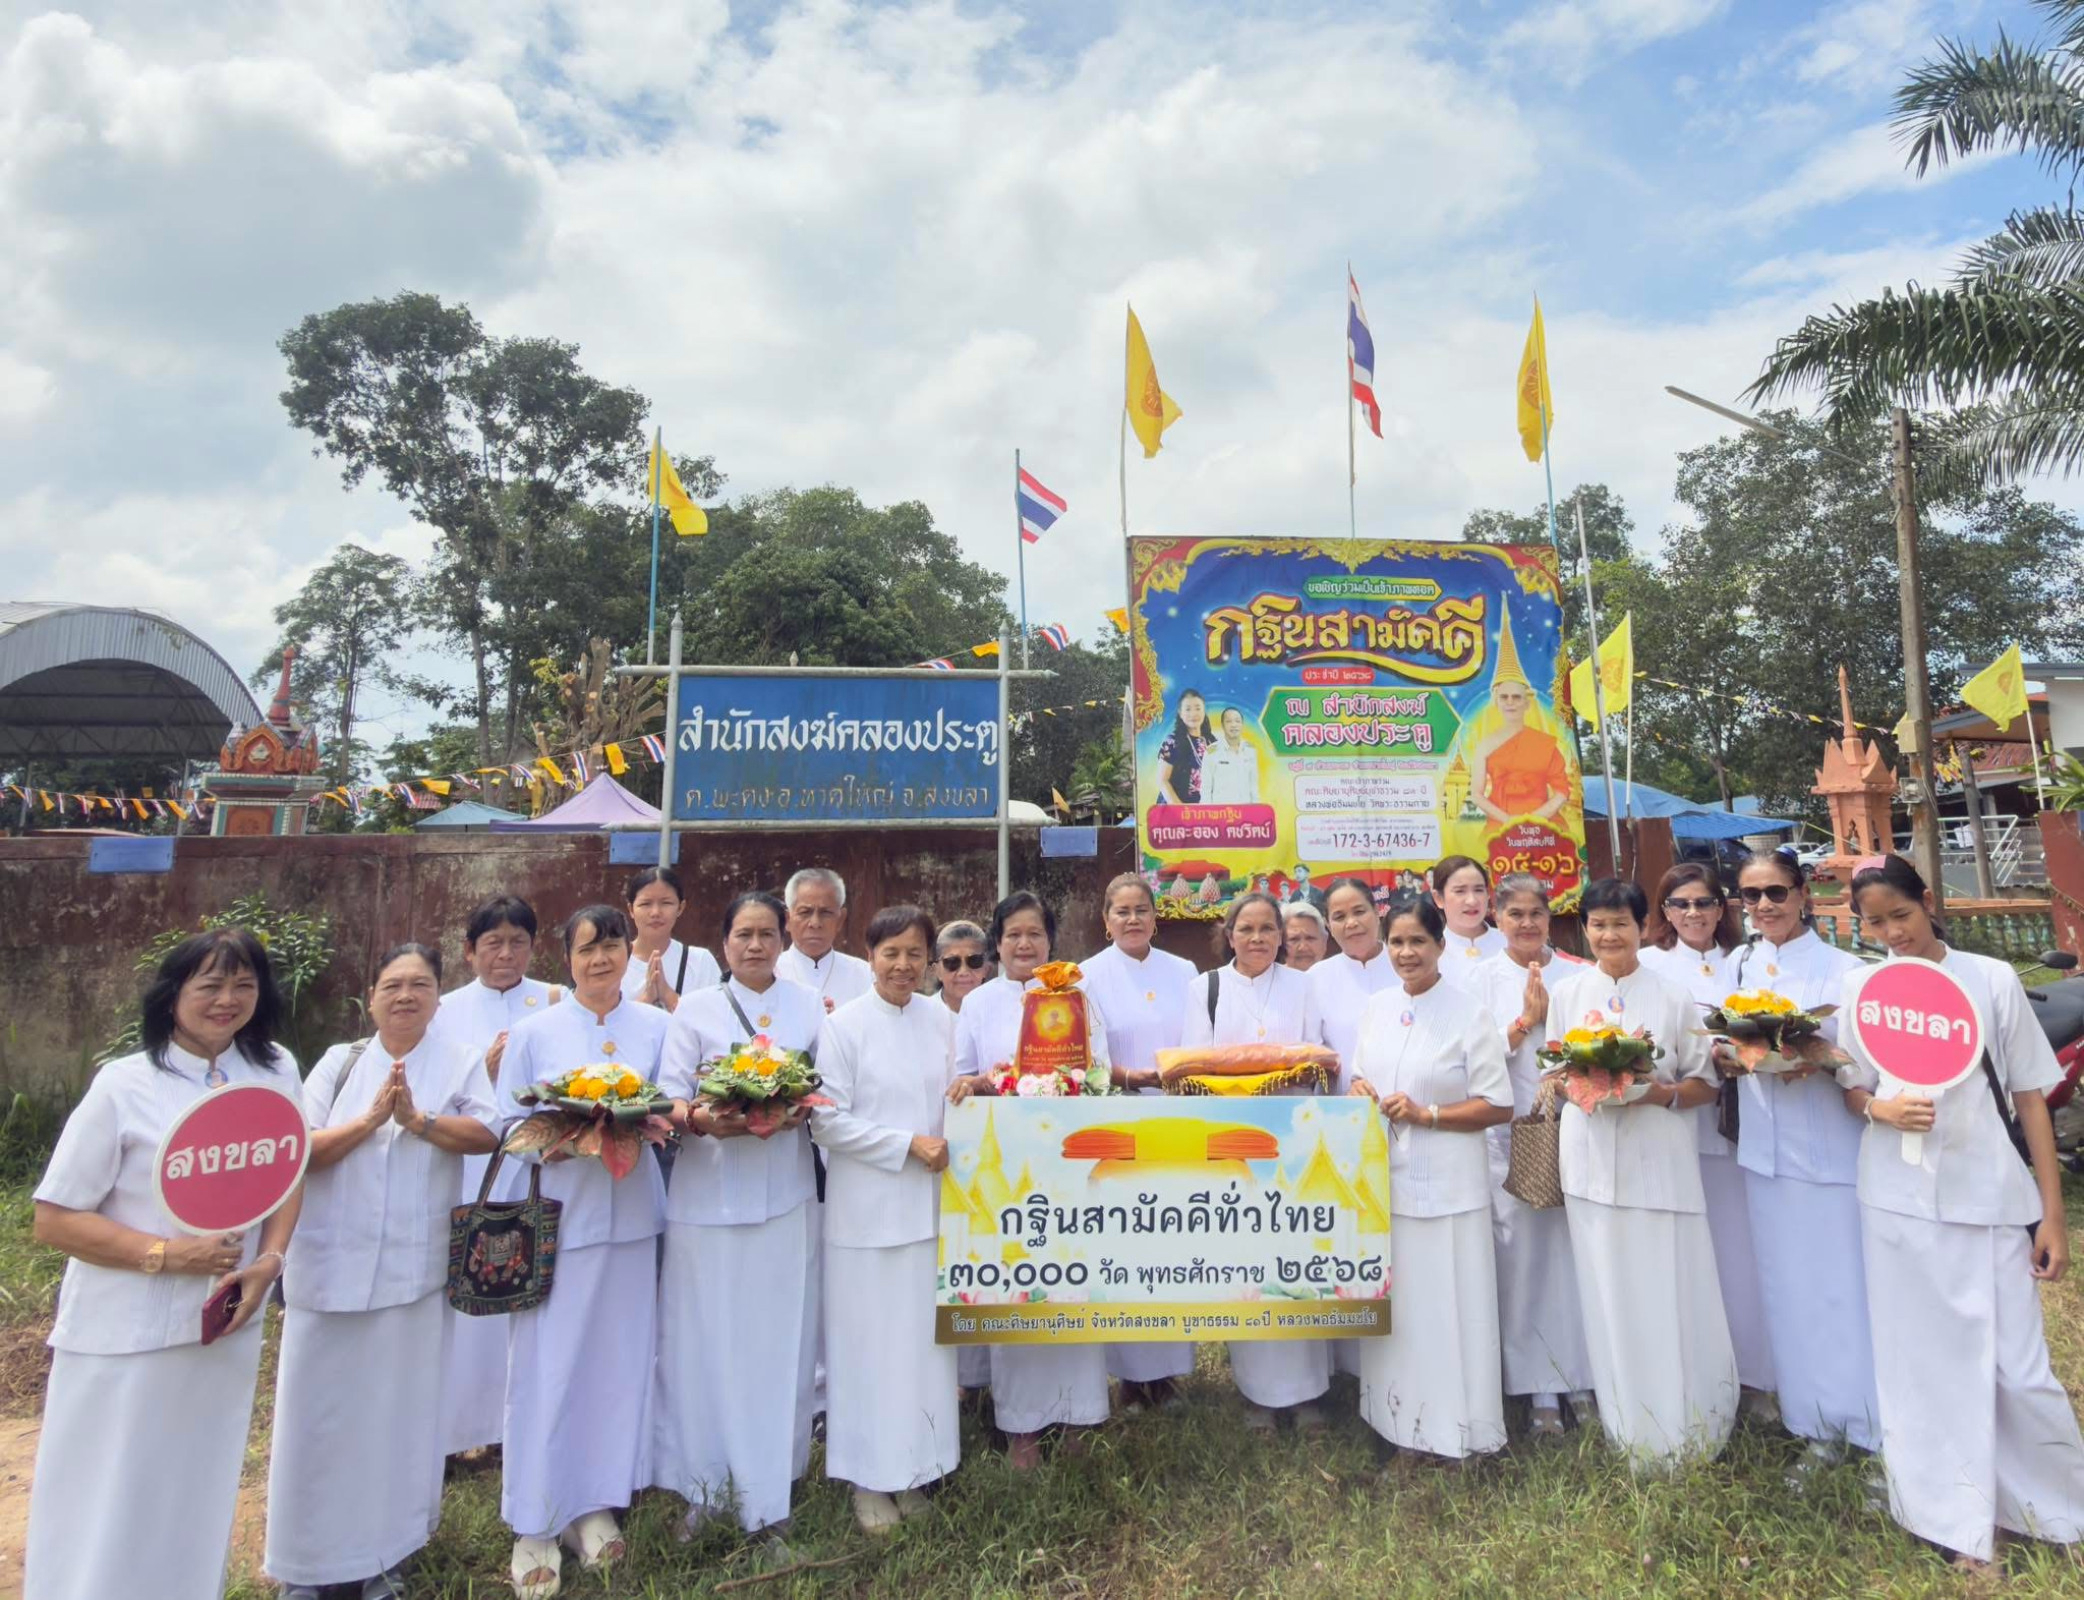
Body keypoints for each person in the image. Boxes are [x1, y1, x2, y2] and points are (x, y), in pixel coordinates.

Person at [27, 929, 301, 1600]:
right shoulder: (124, 1085)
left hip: (219, 1330)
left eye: (243, 985)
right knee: (108, 1497)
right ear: (172, 995)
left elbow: (289, 1175)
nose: (226, 999)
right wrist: (167, 1256)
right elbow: (55, 1218)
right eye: (209, 985)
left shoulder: (274, 1070)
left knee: (191, 1492)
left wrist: (269, 1261)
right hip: (123, 1336)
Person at [1840, 856, 2084, 1568]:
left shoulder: (1990, 979)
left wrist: (2053, 1215)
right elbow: (1851, 1085)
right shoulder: (1861, 987)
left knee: (2018, 1364)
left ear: (1928, 903)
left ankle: (2056, 1511)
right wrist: (1879, 1108)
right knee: (1922, 1362)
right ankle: (1953, 1521)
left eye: (1901, 916)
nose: (1892, 933)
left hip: (1988, 1196)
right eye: (1875, 923)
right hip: (1896, 1200)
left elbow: (2032, 1097)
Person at [265, 944, 499, 1600]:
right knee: (315, 1419)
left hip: (411, 1278)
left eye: (420, 985)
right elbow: (298, 1150)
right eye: (392, 985)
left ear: (437, 997)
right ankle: (300, 1568)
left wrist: (418, 1121)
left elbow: (488, 1134)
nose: (405, 996)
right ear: (370, 998)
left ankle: (383, 1559)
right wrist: (371, 1121)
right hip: (328, 1275)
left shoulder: (456, 1061)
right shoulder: (338, 1067)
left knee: (398, 1416)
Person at [496, 906, 668, 1599]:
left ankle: (594, 1500)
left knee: (616, 1362)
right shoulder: (535, 1031)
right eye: (587, 948)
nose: (601, 960)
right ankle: (535, 1520)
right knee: (547, 1364)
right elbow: (505, 1122)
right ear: (566, 957)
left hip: (629, 1217)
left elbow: (670, 1106)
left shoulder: (657, 1027)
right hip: (557, 1220)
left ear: (632, 951)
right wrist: (564, 1132)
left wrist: (640, 1118)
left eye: (613, 946)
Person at [1545, 878, 1737, 1465]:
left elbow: (1706, 1084)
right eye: (1597, 925)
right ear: (1585, 930)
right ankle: (1626, 1430)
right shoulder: (1567, 992)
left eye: (1619, 924)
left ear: (1640, 926)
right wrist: (1572, 1081)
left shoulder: (1673, 995)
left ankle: (1689, 1422)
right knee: (1607, 1292)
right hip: (1591, 1165)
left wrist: (1661, 1095)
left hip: (1660, 1162)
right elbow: (1552, 1074)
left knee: (1668, 1287)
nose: (1608, 935)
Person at [653, 890, 823, 1546]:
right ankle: (702, 1490)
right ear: (723, 943)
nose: (755, 944)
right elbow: (670, 1097)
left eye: (765, 933)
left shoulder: (807, 1006)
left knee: (776, 1345)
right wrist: (702, 1117)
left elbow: (822, 1087)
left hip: (784, 1196)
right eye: (742, 933)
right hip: (706, 1200)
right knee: (703, 1345)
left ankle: (768, 1493)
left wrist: (793, 1110)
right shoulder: (693, 1010)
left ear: (782, 941)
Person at [1722, 849, 1876, 1477]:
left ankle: (1870, 1431)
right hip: (1766, 1154)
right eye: (1751, 897)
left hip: (1833, 1152)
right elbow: (1725, 1049)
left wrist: (1820, 1058)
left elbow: (1866, 1065)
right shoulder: (1739, 965)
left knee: (1845, 1291)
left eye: (1776, 893)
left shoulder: (1848, 972)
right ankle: (1813, 1426)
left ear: (1804, 892)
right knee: (1788, 1291)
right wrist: (1731, 1057)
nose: (1764, 907)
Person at [812, 905, 962, 1533]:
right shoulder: (843, 1026)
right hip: (867, 1216)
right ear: (868, 955)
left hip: (933, 1213)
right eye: (889, 953)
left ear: (930, 960)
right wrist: (908, 1145)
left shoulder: (943, 1020)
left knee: (924, 1352)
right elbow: (826, 1120)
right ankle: (869, 1480)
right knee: (866, 1350)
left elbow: (960, 1094)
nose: (903, 966)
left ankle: (920, 1469)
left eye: (914, 954)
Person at [950, 892, 1114, 1466]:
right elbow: (962, 1078)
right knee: (1015, 1287)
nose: (1025, 944)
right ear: (997, 943)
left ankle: (1076, 1420)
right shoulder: (977, 1004)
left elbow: (1102, 1073)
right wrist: (990, 1085)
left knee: (1070, 1285)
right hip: (1004, 1172)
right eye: (1014, 934)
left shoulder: (1077, 997)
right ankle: (1021, 1428)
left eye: (1035, 935)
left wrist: (1071, 1088)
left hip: (1070, 1165)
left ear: (1051, 942)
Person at [1349, 898, 1513, 1460]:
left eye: (1418, 941)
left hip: (1450, 1192)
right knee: (1403, 1317)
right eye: (1396, 942)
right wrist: (1359, 1091)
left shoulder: (1470, 1013)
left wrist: (1428, 1115)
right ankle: (1398, 1427)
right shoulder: (1375, 1007)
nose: (1406, 952)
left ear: (1441, 945)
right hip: (1386, 1191)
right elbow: (1359, 1075)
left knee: (1449, 1314)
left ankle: (1454, 1433)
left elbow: (1498, 1104)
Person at [1179, 891, 1330, 1429]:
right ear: (1229, 933)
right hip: (1235, 1147)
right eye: (1247, 928)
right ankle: (1257, 1395)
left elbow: (1317, 1056)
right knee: (1249, 1264)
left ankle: (1308, 1391)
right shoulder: (1206, 988)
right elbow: (1193, 1066)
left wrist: (1294, 1069)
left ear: (1283, 937)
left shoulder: (1305, 986)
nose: (1259, 938)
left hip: (1293, 1144)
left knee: (1296, 1259)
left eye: (1269, 929)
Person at [1636, 864, 1776, 1421]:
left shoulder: (1745, 965)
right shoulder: (1647, 966)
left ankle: (1754, 1375)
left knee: (1738, 1255)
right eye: (1680, 903)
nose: (1693, 913)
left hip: (1739, 1126)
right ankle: (1692, 1375)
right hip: (1670, 1127)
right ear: (1663, 913)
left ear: (1723, 909)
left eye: (1705, 902)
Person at [429, 895, 562, 1459]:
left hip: (535, 1170)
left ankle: (519, 1424)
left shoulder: (555, 1001)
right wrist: (481, 1073)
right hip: (470, 1170)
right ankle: (464, 1432)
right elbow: (432, 1094)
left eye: (518, 943)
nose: (506, 955)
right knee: (471, 1287)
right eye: (492, 944)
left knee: (527, 1288)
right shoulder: (445, 1010)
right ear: (469, 951)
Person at [1473, 872, 1592, 1435]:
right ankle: (1539, 1386)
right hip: (1513, 1134)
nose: (1525, 924)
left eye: (1535, 913)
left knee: (1577, 1256)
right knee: (1524, 1258)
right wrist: (1523, 1022)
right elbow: (1469, 1056)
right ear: (1497, 918)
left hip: (1578, 1127)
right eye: (1514, 914)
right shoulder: (1478, 980)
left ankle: (1585, 1375)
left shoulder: (1578, 973)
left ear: (1550, 917)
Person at [1079, 873, 1201, 1407]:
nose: (1132, 919)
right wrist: (1133, 1079)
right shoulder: (1085, 977)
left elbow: (1199, 1043)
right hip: (1119, 1123)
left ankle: (1168, 1372)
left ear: (1156, 917)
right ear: (1105, 921)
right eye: (1121, 911)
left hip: (1178, 1123)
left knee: (1173, 1244)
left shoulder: (1186, 972)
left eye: (1141, 910)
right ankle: (1128, 1375)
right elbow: (1086, 1059)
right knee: (1126, 1247)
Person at [1466, 610, 1569, 826]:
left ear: (1526, 702)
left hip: (1544, 825)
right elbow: (1476, 794)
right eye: (1504, 697)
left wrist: (1533, 819)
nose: (1510, 702)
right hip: (1500, 824)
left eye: (1516, 697)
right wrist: (1509, 820)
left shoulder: (1545, 744)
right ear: (1497, 702)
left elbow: (1561, 792)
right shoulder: (1485, 746)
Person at [1310, 878, 1395, 1093]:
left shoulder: (1407, 965)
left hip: (1410, 1107)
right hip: (1342, 1113)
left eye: (1359, 912)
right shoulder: (1314, 979)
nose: (1351, 923)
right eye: (1339, 916)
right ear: (1328, 925)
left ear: (1377, 912)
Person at [622, 866, 722, 1013]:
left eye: (666, 903)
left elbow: (717, 1020)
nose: (655, 912)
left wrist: (667, 994)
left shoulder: (700, 961)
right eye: (645, 904)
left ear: (681, 908)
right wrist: (646, 998)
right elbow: (605, 1023)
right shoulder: (614, 961)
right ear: (631, 909)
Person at [776, 867, 873, 1013]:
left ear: (840, 920)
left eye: (825, 913)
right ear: (788, 920)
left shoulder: (865, 976)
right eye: (805, 912)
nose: (815, 923)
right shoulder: (770, 972)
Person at [1429, 856, 1505, 972]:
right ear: (1438, 898)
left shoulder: (1511, 944)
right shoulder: (1430, 953)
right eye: (1460, 891)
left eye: (1479, 890)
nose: (1472, 901)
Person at [1155, 686, 1209, 804]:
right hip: (1175, 811)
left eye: (1198, 708)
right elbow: (1162, 780)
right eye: (1188, 709)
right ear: (1180, 713)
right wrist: (1180, 809)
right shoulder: (1172, 742)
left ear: (1204, 711)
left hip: (1203, 812)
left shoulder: (1210, 742)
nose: (1193, 713)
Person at [1200, 707, 1260, 803]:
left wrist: (1256, 812)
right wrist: (1207, 815)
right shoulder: (1212, 752)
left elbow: (1253, 786)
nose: (1234, 725)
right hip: (1221, 813)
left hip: (1245, 812)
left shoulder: (1250, 750)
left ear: (1242, 725)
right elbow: (1205, 788)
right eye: (1229, 721)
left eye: (1237, 721)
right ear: (1223, 725)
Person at [935, 920, 992, 1015]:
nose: (963, 972)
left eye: (974, 961)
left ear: (986, 969)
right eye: (952, 962)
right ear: (937, 971)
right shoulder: (923, 1014)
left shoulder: (1001, 1014)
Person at [1282, 902, 1329, 971]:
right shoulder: (1269, 980)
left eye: (1310, 938)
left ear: (1324, 941)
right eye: (1294, 939)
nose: (1303, 948)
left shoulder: (1340, 978)